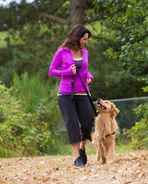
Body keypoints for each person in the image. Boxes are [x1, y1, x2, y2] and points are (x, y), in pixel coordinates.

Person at [48, 25, 95, 167]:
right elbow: (51, 71)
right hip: (66, 93)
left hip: (83, 91)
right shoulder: (62, 52)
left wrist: (90, 76)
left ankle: (82, 149)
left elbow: (84, 70)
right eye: (84, 39)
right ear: (77, 37)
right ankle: (76, 157)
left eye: (87, 39)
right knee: (71, 122)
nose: (85, 42)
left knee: (87, 122)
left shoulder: (84, 52)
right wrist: (66, 72)